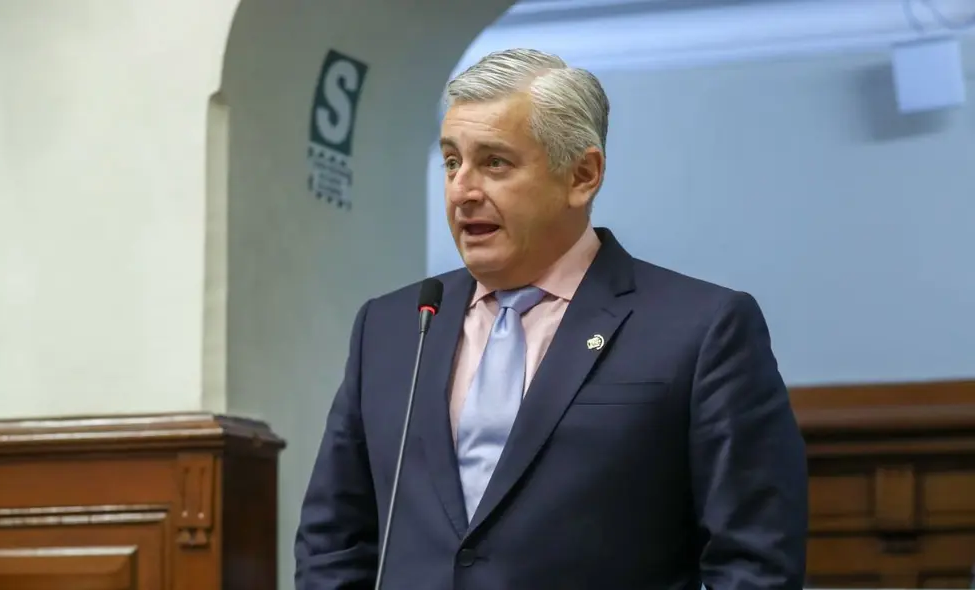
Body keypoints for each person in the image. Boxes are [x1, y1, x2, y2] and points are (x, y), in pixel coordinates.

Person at [294, 48, 808, 590]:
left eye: (495, 163)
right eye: (451, 161)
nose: (462, 191)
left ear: (582, 176)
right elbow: (335, 540)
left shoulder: (702, 328)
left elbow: (755, 561)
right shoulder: (393, 326)